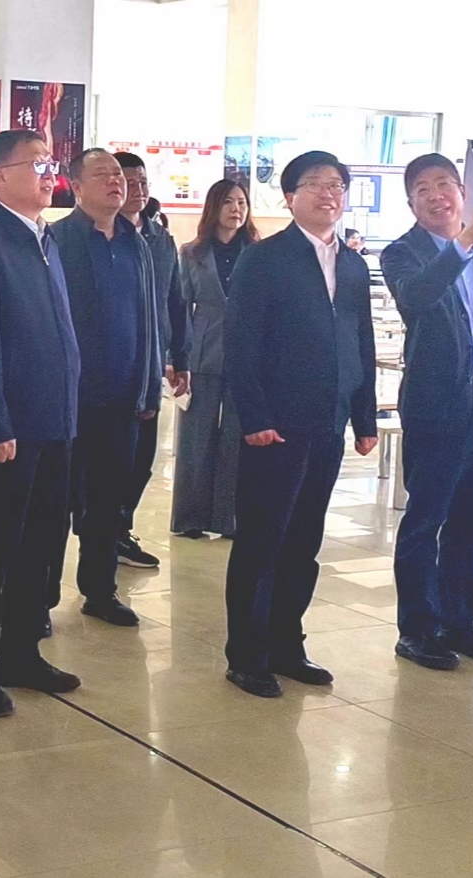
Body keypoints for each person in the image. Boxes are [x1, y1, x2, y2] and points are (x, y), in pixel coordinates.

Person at [223, 151, 378, 698]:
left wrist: (364, 416)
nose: (328, 194)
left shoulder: (353, 265)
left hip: (328, 421)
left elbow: (361, 342)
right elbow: (240, 343)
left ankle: (287, 643)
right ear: (290, 197)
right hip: (276, 425)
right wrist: (255, 417)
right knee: (262, 540)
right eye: (315, 184)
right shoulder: (264, 259)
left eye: (337, 185)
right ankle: (247, 654)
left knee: (304, 540)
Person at [0, 129, 82, 719]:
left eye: (50, 163)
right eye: (36, 164)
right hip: (11, 429)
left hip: (55, 421)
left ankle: (21, 653)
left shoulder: (45, 237)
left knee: (41, 543)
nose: (50, 174)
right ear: (0, 177)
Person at [379, 153, 473, 672]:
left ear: (461, 193)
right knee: (426, 519)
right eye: (423, 189)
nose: (436, 195)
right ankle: (417, 630)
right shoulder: (402, 254)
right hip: (439, 403)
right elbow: (417, 299)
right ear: (411, 203)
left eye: (444, 184)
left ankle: (459, 623)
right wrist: (462, 243)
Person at [50, 149, 161, 628]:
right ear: (77, 187)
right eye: (103, 175)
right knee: (57, 504)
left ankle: (100, 590)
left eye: (119, 175)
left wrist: (149, 384)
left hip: (122, 397)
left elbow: (149, 317)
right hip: (69, 400)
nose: (117, 182)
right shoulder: (58, 240)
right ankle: (39, 599)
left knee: (108, 501)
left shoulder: (137, 242)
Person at [112, 151, 191, 569]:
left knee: (142, 459)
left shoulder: (160, 238)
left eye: (142, 182)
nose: (137, 190)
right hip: (109, 367)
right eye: (129, 182)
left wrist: (181, 355)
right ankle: (102, 532)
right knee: (107, 461)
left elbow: (175, 301)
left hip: (151, 365)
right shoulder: (100, 235)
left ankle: (119, 529)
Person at [170, 179, 258, 539]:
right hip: (202, 351)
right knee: (196, 438)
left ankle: (229, 519)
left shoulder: (258, 252)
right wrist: (176, 357)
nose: (236, 209)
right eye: (228, 202)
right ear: (213, 208)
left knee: (238, 438)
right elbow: (179, 307)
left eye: (242, 203)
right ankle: (190, 518)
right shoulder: (192, 252)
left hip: (247, 355)